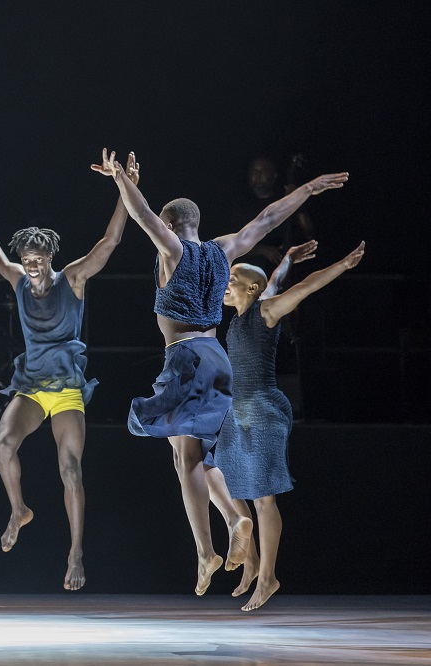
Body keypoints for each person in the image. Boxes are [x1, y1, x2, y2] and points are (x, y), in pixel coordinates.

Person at [92, 148, 348, 594]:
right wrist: (308, 188)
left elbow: (142, 214)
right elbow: (267, 220)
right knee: (196, 453)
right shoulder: (222, 250)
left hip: (186, 358)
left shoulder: (173, 248)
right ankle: (234, 517)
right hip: (218, 361)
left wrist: (121, 181)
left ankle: (205, 551)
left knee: (184, 457)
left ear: (172, 227)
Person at [0, 158, 138, 591]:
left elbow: (108, 243)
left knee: (70, 469)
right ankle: (19, 509)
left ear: (50, 256)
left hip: (68, 389)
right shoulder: (15, 278)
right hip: (32, 387)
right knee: (3, 444)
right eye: (26, 259)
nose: (31, 265)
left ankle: (75, 554)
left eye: (37, 259)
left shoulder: (72, 279)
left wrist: (125, 189)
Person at [216, 240, 365, 611]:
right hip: (237, 411)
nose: (226, 282)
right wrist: (284, 261)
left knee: (263, 498)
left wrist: (342, 264)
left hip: (264, 410)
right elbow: (273, 281)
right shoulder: (243, 313)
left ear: (251, 289)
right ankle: (250, 560)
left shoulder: (266, 311)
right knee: (224, 479)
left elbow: (302, 288)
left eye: (233, 278)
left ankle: (268, 577)